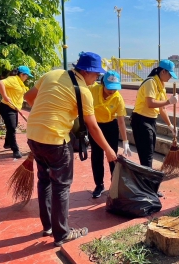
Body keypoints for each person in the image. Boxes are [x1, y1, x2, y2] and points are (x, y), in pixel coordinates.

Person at [24, 52, 117, 247]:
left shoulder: (52, 74)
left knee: (44, 180)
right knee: (61, 186)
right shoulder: (83, 92)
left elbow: (28, 97)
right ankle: (62, 234)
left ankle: (48, 226)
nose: (97, 79)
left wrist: (47, 115)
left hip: (33, 135)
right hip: (56, 141)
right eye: (96, 75)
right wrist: (108, 150)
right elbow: (92, 127)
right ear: (86, 71)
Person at [130, 59, 179, 192]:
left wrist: (170, 125)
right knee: (147, 155)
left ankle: (148, 185)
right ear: (163, 71)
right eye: (169, 74)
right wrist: (169, 101)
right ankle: (149, 188)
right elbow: (150, 103)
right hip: (141, 120)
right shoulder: (151, 82)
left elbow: (162, 108)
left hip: (151, 120)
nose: (170, 78)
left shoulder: (161, 84)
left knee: (149, 152)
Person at [88, 70, 132, 198]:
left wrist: (125, 142)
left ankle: (114, 184)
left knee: (112, 156)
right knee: (97, 156)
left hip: (110, 127)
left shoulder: (118, 98)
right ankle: (99, 185)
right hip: (95, 126)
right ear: (102, 83)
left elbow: (121, 122)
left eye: (114, 88)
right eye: (109, 88)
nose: (112, 91)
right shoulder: (92, 89)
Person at [0, 66, 32, 158]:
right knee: (12, 128)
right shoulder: (13, 79)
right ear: (21, 74)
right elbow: (0, 83)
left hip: (14, 108)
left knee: (12, 126)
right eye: (26, 76)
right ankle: (15, 150)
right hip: (6, 107)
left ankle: (7, 143)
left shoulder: (21, 83)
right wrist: (4, 96)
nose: (27, 78)